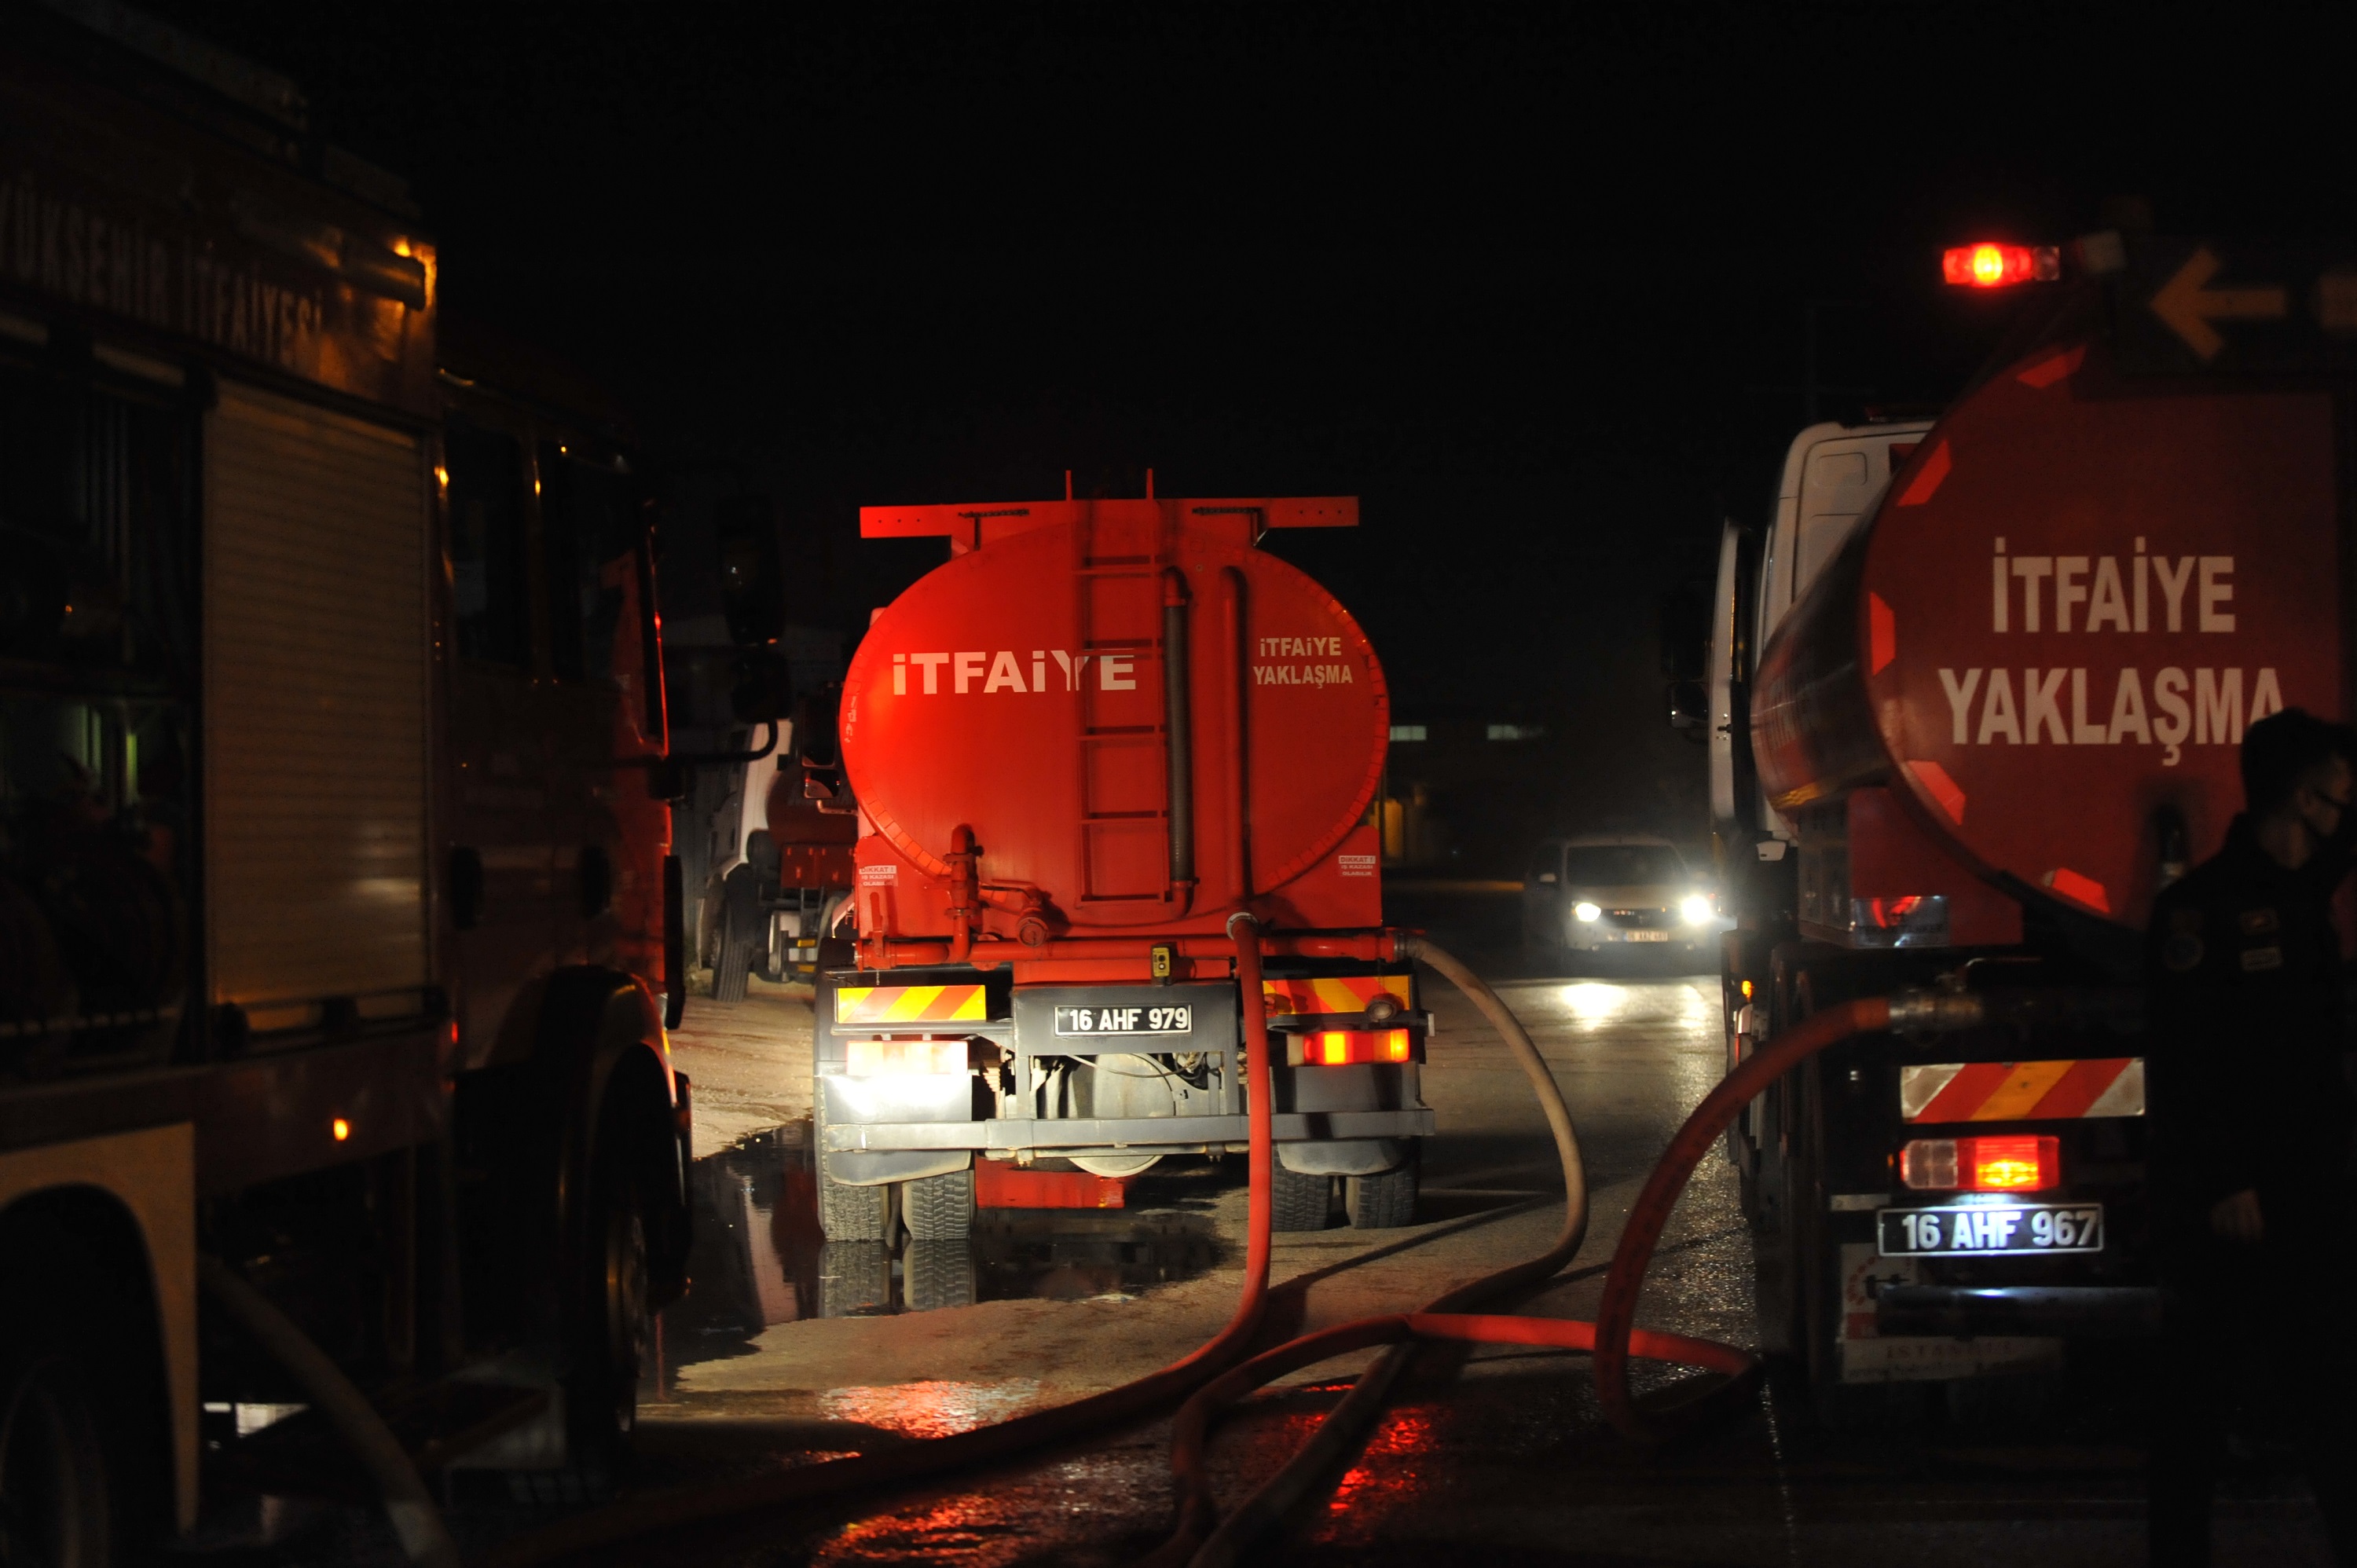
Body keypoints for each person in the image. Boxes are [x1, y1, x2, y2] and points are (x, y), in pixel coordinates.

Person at [2146, 706, 2357, 1566]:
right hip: (2233, 1209)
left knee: (2331, 1402)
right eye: (2341, 798)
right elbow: (2187, 1062)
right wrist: (2227, 1181)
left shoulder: (2306, 895)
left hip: (2312, 1190)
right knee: (2198, 1404)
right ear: (2304, 800)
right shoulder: (2201, 913)